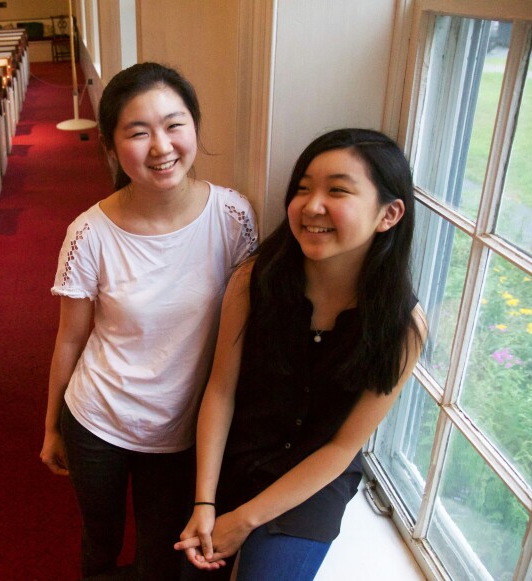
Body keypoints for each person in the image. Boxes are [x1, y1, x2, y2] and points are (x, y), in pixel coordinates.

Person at [175, 128, 427, 580]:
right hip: (237, 456)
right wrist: (205, 502)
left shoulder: (401, 326)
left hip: (315, 480)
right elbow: (220, 393)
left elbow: (344, 447)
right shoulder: (255, 281)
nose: (312, 206)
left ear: (388, 214)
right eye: (303, 188)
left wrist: (245, 520)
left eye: (338, 191)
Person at [41, 62, 257, 580]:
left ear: (195, 128)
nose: (161, 146)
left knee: (159, 555)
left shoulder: (231, 218)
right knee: (103, 538)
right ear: (113, 148)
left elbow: (242, 337)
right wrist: (52, 427)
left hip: (181, 430)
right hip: (97, 420)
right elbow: (70, 338)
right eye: (139, 132)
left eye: (173, 124)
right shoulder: (89, 233)